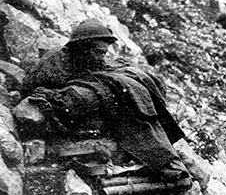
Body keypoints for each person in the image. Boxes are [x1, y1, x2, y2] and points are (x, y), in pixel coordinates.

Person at [20, 18, 191, 185]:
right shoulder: (56, 64)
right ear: (82, 48)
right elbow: (33, 88)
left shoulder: (84, 58)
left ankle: (162, 152)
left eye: (104, 53)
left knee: (133, 84)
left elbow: (99, 68)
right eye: (98, 52)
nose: (102, 57)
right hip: (70, 110)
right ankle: (159, 158)